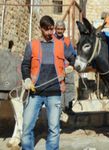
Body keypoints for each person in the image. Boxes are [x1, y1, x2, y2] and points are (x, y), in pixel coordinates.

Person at [21, 15, 75, 150]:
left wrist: (71, 66)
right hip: (35, 92)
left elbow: (74, 58)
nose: (50, 33)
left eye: (52, 29)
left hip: (54, 92)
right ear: (40, 29)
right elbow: (25, 65)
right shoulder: (32, 45)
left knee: (54, 128)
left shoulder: (61, 44)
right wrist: (26, 78)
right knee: (27, 126)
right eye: (47, 30)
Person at [54, 20, 77, 113]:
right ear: (55, 29)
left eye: (61, 29)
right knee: (57, 89)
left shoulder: (67, 41)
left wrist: (71, 65)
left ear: (64, 30)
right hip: (56, 68)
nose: (59, 31)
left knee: (69, 87)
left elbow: (73, 54)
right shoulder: (51, 40)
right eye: (58, 29)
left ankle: (68, 108)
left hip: (67, 68)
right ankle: (58, 110)